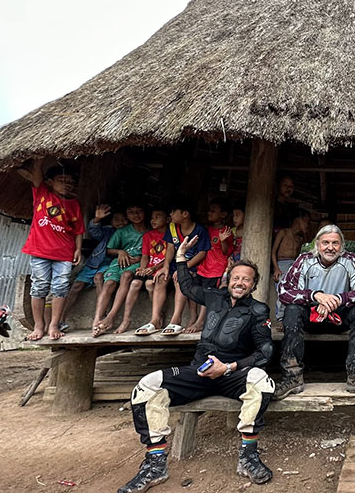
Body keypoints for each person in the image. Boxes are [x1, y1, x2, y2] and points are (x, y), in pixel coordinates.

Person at [117, 235, 275, 492]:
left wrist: (228, 368)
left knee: (261, 380)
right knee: (147, 385)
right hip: (198, 372)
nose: (240, 282)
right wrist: (180, 257)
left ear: (253, 284)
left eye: (246, 279)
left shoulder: (258, 311)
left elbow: (265, 351)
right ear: (228, 278)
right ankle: (155, 464)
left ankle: (248, 457)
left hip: (231, 375)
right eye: (236, 277)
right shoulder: (215, 297)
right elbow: (188, 286)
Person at [275, 225, 355, 401]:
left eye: (335, 243)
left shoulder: (350, 260)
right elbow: (284, 291)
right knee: (292, 310)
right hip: (311, 317)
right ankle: (292, 377)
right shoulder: (304, 260)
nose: (330, 247)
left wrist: (338, 299)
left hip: (339, 318)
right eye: (325, 242)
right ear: (317, 244)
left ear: (342, 246)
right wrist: (315, 296)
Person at [18, 160, 84, 341]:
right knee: (39, 287)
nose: (66, 184)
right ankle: (39, 326)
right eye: (62, 180)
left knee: (61, 287)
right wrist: (39, 163)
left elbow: (78, 230)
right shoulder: (42, 195)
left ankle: (54, 324)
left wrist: (78, 249)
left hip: (64, 253)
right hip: (40, 251)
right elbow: (37, 179)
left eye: (70, 182)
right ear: (50, 182)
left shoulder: (74, 204)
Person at [63, 205, 126, 332]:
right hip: (94, 263)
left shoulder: (128, 233)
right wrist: (97, 219)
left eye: (123, 219)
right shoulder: (107, 231)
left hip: (110, 264)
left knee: (99, 278)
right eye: (116, 219)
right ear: (111, 221)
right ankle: (61, 318)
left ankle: (103, 314)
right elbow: (94, 231)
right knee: (76, 286)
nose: (120, 222)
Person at [93, 204, 147, 336]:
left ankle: (111, 317)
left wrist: (140, 258)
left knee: (127, 276)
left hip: (137, 263)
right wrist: (120, 251)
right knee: (109, 283)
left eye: (139, 211)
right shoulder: (122, 231)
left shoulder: (150, 231)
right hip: (119, 262)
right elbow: (109, 249)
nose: (136, 215)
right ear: (127, 216)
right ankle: (96, 320)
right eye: (131, 212)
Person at [158, 200, 210, 335]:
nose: (170, 215)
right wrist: (165, 266)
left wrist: (184, 268)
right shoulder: (172, 227)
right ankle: (155, 319)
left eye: (173, 212)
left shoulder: (200, 230)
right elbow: (170, 248)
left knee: (179, 280)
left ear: (185, 214)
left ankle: (176, 319)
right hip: (176, 263)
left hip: (193, 265)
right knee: (159, 279)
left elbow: (202, 253)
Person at [132, 208, 171, 335]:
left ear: (167, 219)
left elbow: (169, 258)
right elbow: (145, 256)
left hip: (163, 268)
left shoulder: (171, 235)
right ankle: (157, 316)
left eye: (157, 216)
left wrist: (154, 268)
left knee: (152, 283)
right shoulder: (148, 235)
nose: (153, 220)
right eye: (152, 217)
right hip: (150, 268)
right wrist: (143, 268)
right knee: (147, 284)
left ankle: (157, 318)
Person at [271, 208, 310, 317]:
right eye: (306, 221)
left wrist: (304, 233)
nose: (307, 224)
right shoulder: (284, 232)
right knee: (282, 289)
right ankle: (280, 318)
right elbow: (273, 252)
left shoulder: (300, 238)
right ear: (298, 220)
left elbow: (307, 246)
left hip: (294, 265)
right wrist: (276, 268)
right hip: (281, 264)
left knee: (297, 289)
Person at [196, 198, 232, 289]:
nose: (209, 213)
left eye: (213, 211)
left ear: (223, 215)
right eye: (209, 210)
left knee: (209, 297)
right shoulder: (206, 229)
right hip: (203, 269)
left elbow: (226, 252)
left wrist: (223, 241)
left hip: (215, 270)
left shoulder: (226, 231)